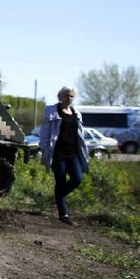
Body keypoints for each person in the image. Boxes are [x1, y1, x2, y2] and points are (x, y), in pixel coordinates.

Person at [39, 86, 90, 226]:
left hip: (73, 152)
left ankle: (59, 197)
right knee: (60, 181)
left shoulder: (76, 113)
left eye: (72, 96)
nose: (70, 98)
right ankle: (64, 214)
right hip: (58, 153)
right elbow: (45, 132)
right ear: (60, 97)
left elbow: (80, 135)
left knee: (77, 178)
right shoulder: (52, 111)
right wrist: (43, 149)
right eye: (67, 95)